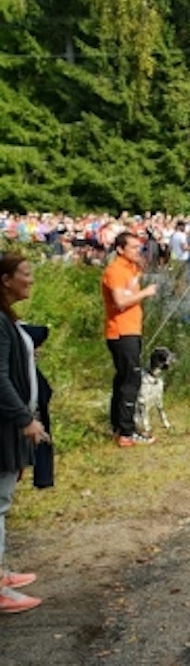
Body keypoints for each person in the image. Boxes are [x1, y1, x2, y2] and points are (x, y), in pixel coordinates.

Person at [0, 253, 49, 614]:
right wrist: (23, 419)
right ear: (5, 279)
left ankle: (1, 572)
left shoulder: (7, 319)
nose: (31, 280)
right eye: (25, 274)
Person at [101, 231, 158, 446]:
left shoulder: (130, 268)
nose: (138, 251)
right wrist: (146, 293)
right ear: (120, 250)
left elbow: (138, 273)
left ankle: (118, 426)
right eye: (133, 248)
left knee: (123, 378)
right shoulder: (115, 270)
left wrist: (140, 264)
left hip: (132, 329)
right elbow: (120, 301)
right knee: (130, 380)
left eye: (139, 247)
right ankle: (127, 431)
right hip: (121, 331)